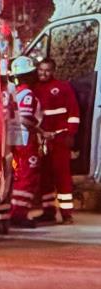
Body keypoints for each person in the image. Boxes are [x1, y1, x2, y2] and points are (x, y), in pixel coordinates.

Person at [35, 59, 81, 224]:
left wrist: (71, 134)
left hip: (60, 139)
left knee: (62, 177)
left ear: (53, 71)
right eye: (41, 70)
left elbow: (74, 113)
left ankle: (67, 213)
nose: (43, 73)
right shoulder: (35, 89)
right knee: (44, 178)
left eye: (47, 70)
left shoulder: (63, 87)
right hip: (42, 139)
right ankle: (48, 211)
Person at [7, 56, 42, 229]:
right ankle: (18, 214)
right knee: (27, 177)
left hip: (16, 140)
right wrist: (42, 132)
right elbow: (26, 119)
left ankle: (15, 211)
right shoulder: (28, 94)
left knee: (19, 176)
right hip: (26, 141)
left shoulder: (16, 93)